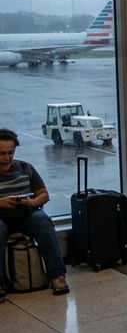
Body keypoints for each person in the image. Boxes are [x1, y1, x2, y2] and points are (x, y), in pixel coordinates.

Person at [0, 129, 69, 301]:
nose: (7, 157)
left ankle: (57, 276)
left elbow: (43, 194)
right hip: (1, 217)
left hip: (25, 213)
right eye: (2, 153)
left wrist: (30, 202)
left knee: (43, 223)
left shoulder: (25, 168)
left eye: (10, 153)